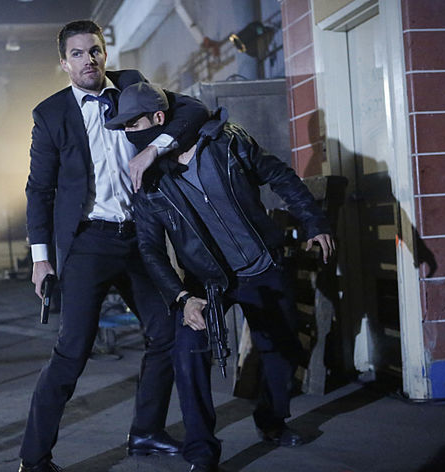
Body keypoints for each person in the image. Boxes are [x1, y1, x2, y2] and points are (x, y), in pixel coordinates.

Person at [105, 82, 335, 472]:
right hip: (207, 283)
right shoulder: (149, 182)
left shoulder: (226, 142)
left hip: (263, 265)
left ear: (158, 119)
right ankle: (202, 453)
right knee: (188, 354)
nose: (129, 134)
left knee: (282, 351)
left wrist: (314, 221)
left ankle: (272, 421)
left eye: (133, 124)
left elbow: (279, 175)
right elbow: (150, 249)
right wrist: (181, 298)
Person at [19, 20, 209, 472]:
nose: (89, 60)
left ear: (105, 53)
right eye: (78, 53)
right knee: (72, 352)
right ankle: (34, 458)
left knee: (166, 332)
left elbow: (194, 109)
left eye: (95, 50)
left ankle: (146, 431)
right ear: (64, 63)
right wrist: (41, 260)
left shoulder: (132, 85)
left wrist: (155, 148)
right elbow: (39, 190)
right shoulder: (50, 114)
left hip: (140, 237)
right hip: (87, 242)